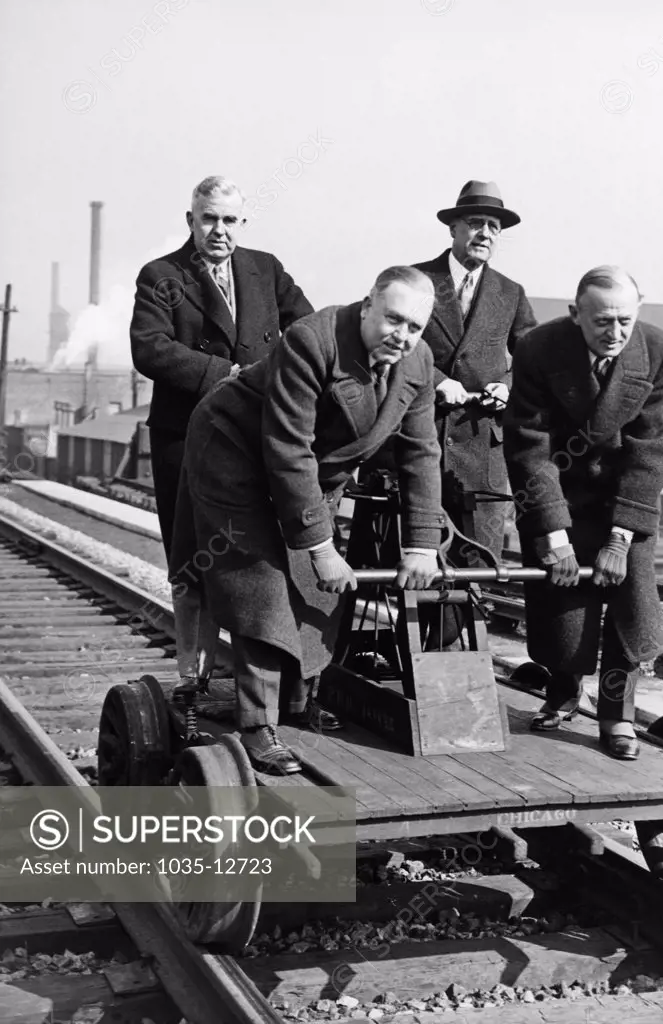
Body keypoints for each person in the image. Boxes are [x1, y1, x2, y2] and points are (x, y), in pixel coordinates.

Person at [169, 266, 445, 775]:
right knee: (261, 583)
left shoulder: (419, 363)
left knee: (320, 587)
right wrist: (319, 544)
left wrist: (422, 545)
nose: (402, 336)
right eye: (393, 320)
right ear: (367, 306)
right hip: (236, 452)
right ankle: (256, 724)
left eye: (415, 327)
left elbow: (421, 455)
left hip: (312, 468)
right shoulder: (312, 340)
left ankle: (297, 700)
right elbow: (288, 448)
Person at [503, 266, 663, 761]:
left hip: (626, 502)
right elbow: (529, 447)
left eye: (625, 320)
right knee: (564, 610)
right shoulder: (539, 348)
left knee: (628, 612)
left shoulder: (659, 351)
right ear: (574, 314)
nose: (615, 333)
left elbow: (651, 450)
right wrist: (553, 537)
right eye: (603, 321)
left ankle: (616, 715)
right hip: (559, 494)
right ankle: (562, 693)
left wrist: (621, 539)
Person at [130, 175, 313, 562]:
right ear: (190, 220)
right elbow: (149, 348)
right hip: (186, 433)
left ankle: (253, 624)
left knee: (254, 558)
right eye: (209, 218)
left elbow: (307, 331)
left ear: (242, 224)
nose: (219, 231)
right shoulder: (161, 275)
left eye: (229, 221)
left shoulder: (266, 268)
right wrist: (226, 374)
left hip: (259, 430)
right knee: (191, 557)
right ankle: (191, 623)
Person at [414, 180, 536, 647]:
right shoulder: (417, 281)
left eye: (493, 226)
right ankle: (428, 658)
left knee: (477, 562)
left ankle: (454, 660)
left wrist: (507, 387)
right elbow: (392, 345)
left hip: (483, 449)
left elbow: (531, 357)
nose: (485, 233)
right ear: (453, 228)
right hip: (422, 436)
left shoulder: (510, 293)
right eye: (475, 224)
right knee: (422, 554)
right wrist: (437, 381)